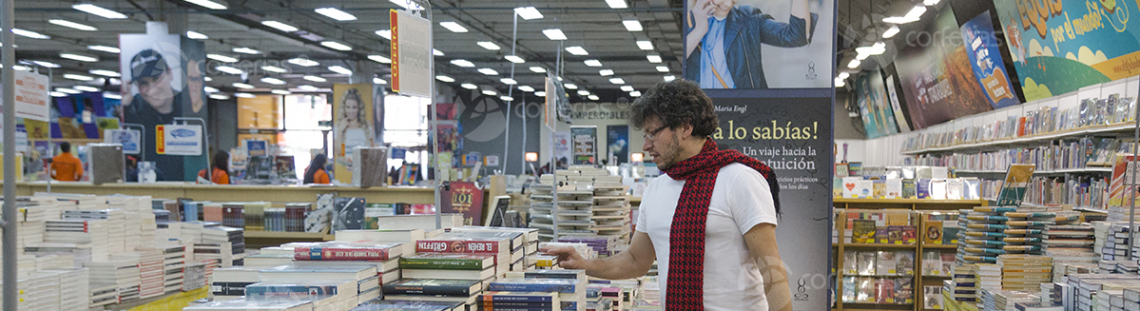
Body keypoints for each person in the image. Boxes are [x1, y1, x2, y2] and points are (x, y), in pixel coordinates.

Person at [542, 80, 789, 311]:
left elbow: (773, 272)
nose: (645, 145)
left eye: (652, 133)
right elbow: (636, 260)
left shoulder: (739, 179)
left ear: (685, 127)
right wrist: (585, 265)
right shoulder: (656, 189)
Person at [683, 0, 817, 89]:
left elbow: (796, 36)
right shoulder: (687, 21)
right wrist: (699, 30)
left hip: (744, 111)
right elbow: (680, 60)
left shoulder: (747, 18)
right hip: (700, 115)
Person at [122, 49, 191, 181]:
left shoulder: (190, 108)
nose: (152, 88)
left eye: (156, 79)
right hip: (150, 191)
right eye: (143, 83)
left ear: (170, 73)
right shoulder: (134, 111)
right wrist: (126, 105)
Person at [336, 88, 374, 176]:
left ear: (358, 109)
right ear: (344, 108)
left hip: (364, 170)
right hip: (345, 170)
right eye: (348, 107)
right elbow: (340, 152)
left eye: (354, 107)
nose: (351, 111)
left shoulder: (366, 126)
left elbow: (370, 150)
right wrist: (340, 131)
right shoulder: (340, 126)